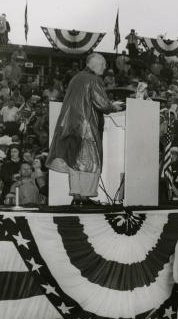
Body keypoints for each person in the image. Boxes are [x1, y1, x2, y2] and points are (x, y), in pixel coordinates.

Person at [46, 53, 122, 205]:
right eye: (103, 64)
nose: (105, 67)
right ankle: (85, 197)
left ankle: (77, 198)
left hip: (71, 126)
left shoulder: (76, 77)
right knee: (90, 161)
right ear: (93, 64)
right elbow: (102, 104)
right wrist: (114, 106)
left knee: (75, 161)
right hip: (87, 127)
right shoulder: (94, 80)